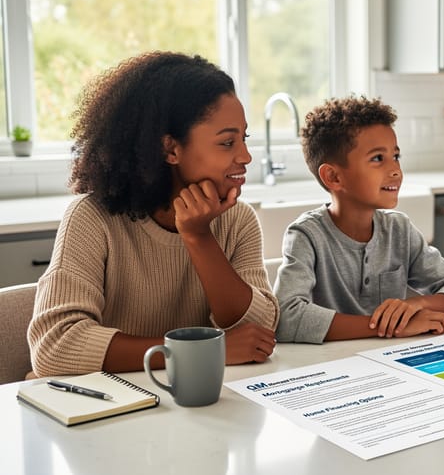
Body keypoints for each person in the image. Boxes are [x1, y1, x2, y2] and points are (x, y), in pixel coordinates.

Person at [28, 52, 278, 377]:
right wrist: (200, 351)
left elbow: (258, 334)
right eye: (227, 142)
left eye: (244, 139)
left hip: (195, 408)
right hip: (110, 410)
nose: (245, 156)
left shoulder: (237, 220)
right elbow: (55, 347)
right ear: (171, 149)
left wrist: (199, 238)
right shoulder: (92, 219)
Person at [274, 95, 444, 343]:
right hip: (332, 367)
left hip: (392, 361)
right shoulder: (306, 236)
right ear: (333, 177)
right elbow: (286, 317)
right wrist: (389, 327)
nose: (395, 170)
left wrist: (418, 305)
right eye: (378, 158)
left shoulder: (399, 230)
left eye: (396, 156)